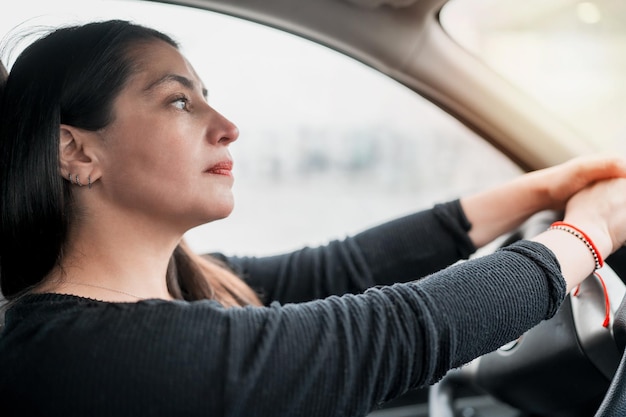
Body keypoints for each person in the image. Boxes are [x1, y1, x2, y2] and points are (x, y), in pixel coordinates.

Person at [1, 19, 626, 417]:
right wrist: (588, 234)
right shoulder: (77, 356)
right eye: (178, 101)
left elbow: (343, 268)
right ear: (77, 151)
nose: (227, 127)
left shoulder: (181, 282)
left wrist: (548, 187)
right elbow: (391, 335)